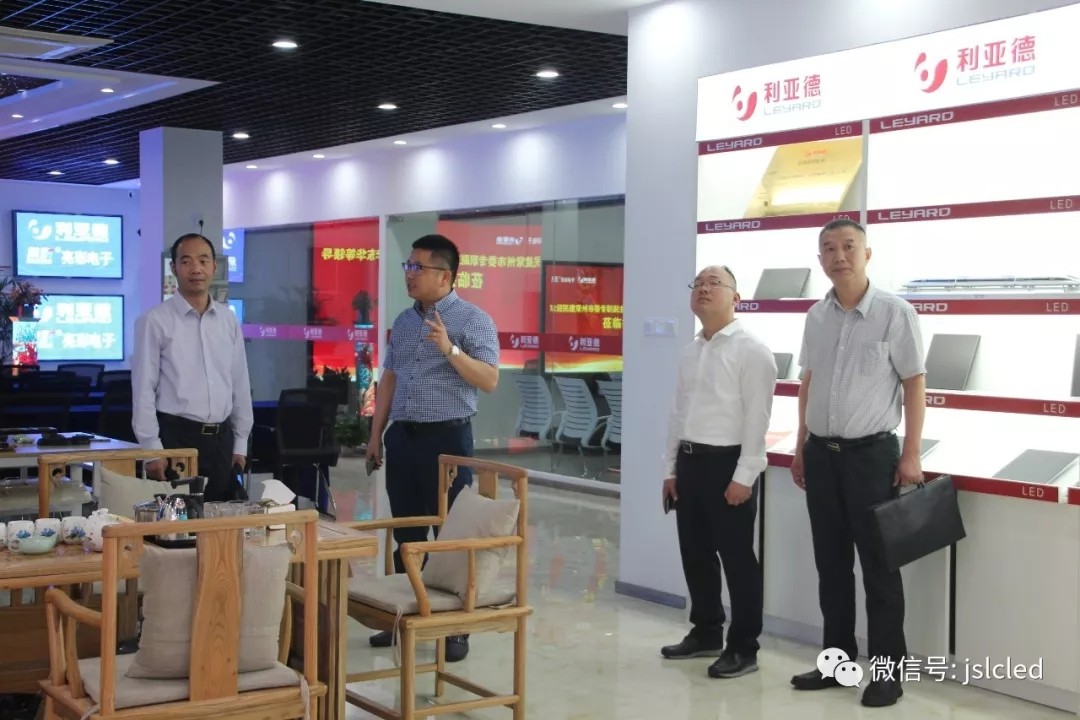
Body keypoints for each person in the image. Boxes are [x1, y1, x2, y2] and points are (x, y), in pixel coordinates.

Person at [789, 219, 926, 708]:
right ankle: (838, 663)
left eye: (849, 246)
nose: (839, 255)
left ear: (868, 254)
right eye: (829, 248)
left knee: (879, 570)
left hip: (872, 457)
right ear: (820, 259)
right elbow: (808, 381)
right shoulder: (816, 315)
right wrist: (801, 444)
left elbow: (914, 383)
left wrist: (911, 453)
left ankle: (889, 673)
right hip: (821, 456)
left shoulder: (895, 312)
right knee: (831, 566)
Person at [365, 233, 500, 662]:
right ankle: (406, 615)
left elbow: (489, 379)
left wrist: (449, 348)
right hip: (403, 438)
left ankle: (455, 627)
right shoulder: (405, 322)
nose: (409, 274)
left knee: (450, 533)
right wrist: (375, 434)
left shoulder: (474, 320)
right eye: (408, 266)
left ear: (445, 275)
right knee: (407, 532)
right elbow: (390, 377)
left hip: (448, 439)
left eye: (417, 267)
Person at [660, 265, 776, 679]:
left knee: (738, 560)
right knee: (695, 554)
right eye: (699, 283)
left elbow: (757, 420)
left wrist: (744, 477)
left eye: (715, 283)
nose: (704, 289)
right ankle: (706, 631)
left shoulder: (752, 351)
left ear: (736, 297)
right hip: (690, 463)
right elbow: (678, 414)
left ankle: (744, 647)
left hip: (728, 465)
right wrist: (671, 468)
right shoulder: (691, 351)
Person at [132, 233, 253, 502]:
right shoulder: (154, 321)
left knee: (223, 521)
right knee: (181, 522)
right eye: (186, 261)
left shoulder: (227, 320)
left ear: (214, 267)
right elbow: (143, 390)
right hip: (177, 439)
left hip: (222, 441)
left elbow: (240, 384)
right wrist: (152, 449)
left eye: (203, 260)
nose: (196, 269)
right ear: (174, 268)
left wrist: (240, 443)